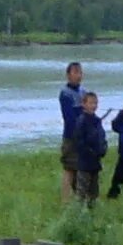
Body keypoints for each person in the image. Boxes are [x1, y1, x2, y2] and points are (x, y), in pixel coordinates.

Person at [69, 90, 109, 208]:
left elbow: (102, 137)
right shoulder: (81, 121)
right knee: (81, 191)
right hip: (84, 162)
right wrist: (90, 151)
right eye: (91, 103)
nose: (93, 106)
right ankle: (77, 213)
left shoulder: (97, 120)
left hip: (96, 162)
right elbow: (78, 141)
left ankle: (92, 213)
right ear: (84, 104)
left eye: (95, 103)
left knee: (94, 191)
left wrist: (103, 149)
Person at [55, 61, 86, 199]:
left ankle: (80, 197)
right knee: (69, 169)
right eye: (75, 72)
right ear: (68, 75)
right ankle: (65, 200)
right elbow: (69, 118)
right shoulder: (65, 94)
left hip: (84, 137)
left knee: (81, 168)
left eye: (80, 72)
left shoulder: (84, 92)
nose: (78, 75)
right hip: (70, 136)